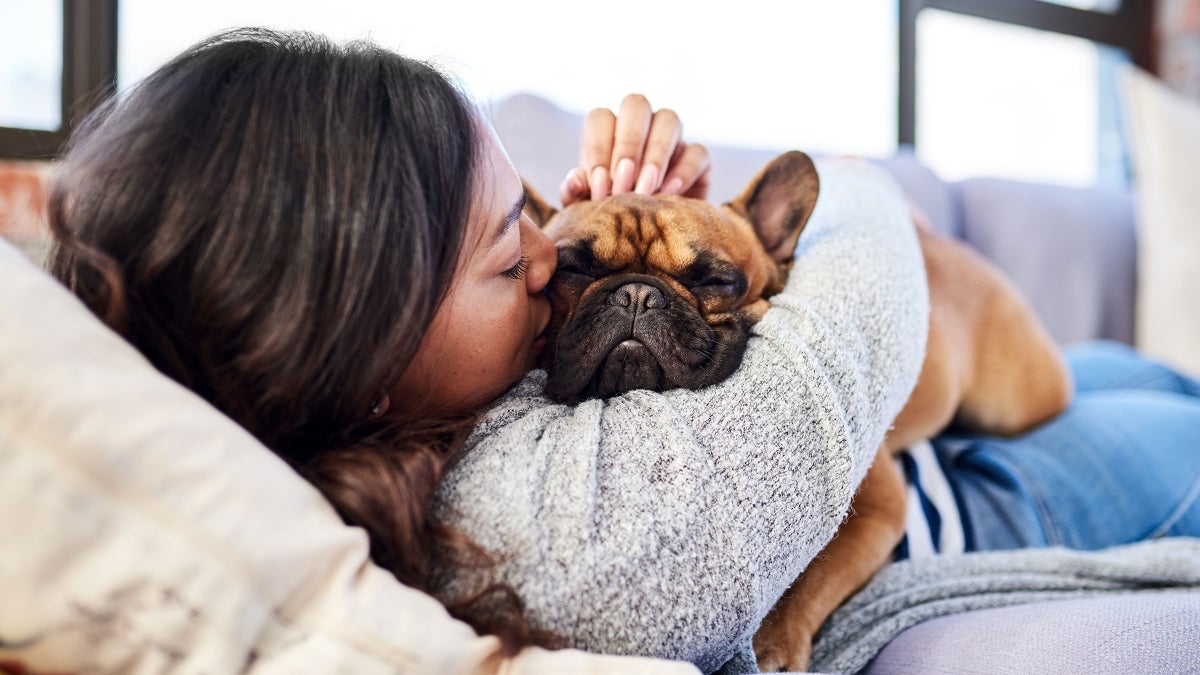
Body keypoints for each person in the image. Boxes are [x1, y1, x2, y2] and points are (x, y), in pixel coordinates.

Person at [45, 27, 1200, 673]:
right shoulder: (592, 527)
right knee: (1164, 404)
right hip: (996, 492)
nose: (554, 270)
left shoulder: (370, 443)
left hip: (971, 417)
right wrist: (737, 242)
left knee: (1117, 371)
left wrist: (651, 237)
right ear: (368, 332)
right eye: (523, 257)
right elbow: (870, 226)